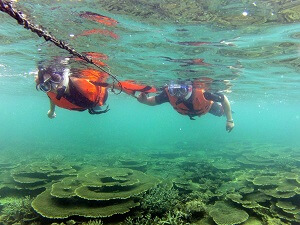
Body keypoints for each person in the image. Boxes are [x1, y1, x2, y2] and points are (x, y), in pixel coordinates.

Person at [137, 81, 235, 132]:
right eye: (174, 90)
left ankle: (229, 111)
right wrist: (144, 101)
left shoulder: (204, 94)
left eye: (182, 90)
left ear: (189, 88)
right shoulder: (168, 95)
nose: (178, 94)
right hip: (195, 110)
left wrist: (229, 120)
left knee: (221, 112)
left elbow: (223, 98)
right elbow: (154, 101)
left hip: (207, 107)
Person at [35, 57, 109, 119]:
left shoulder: (80, 84)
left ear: (63, 78)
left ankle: (98, 104)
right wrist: (52, 110)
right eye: (45, 87)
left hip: (93, 98)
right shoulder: (49, 89)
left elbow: (106, 84)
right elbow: (51, 96)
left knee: (95, 103)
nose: (55, 88)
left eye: (56, 79)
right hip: (81, 104)